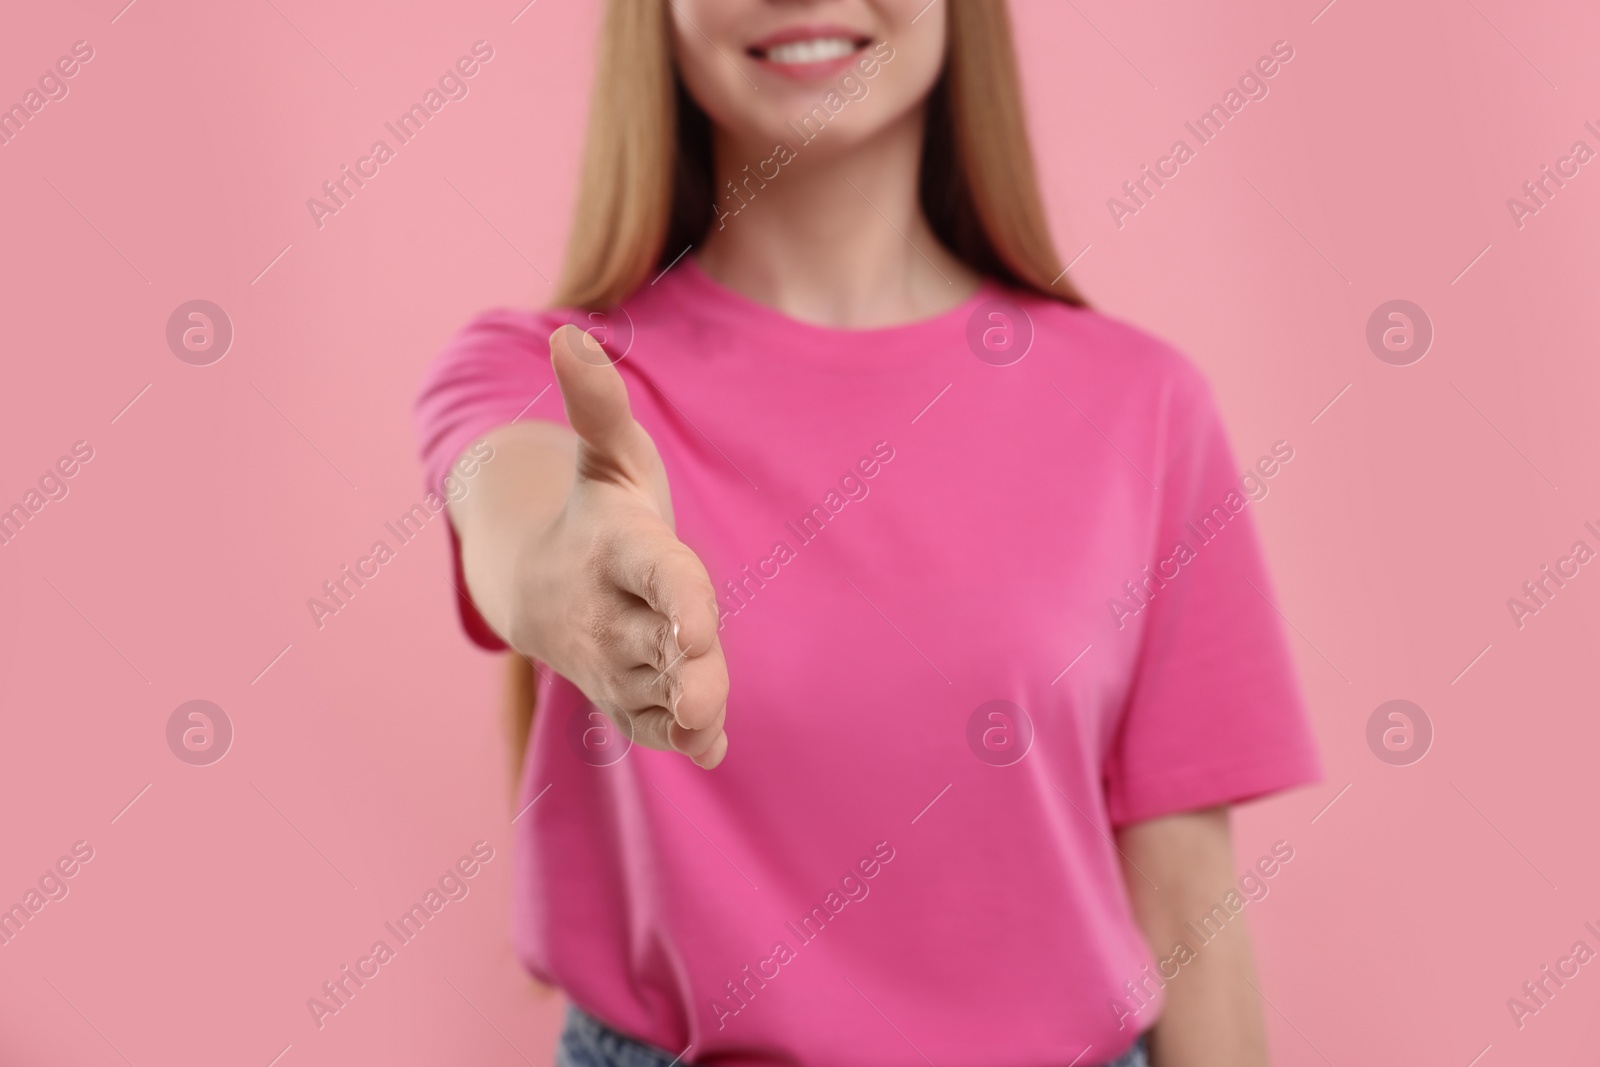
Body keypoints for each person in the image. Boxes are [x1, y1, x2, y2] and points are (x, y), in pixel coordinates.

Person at [413, 2, 1321, 1064]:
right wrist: (570, 580)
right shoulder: (545, 374)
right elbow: (511, 511)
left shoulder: (1145, 407)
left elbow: (1188, 912)